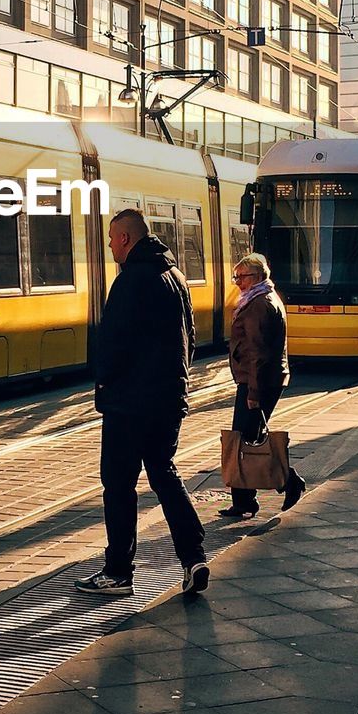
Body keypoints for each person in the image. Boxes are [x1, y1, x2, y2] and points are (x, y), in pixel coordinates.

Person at [77, 208, 208, 598]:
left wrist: (104, 380)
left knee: (118, 486)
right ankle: (194, 556)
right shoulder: (176, 277)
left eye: (113, 238)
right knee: (164, 474)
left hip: (129, 404)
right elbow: (192, 337)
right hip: (169, 399)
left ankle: (118, 571)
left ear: (127, 239)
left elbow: (113, 345)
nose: (110, 245)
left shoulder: (130, 280)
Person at [220, 253, 304, 519]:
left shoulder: (259, 305)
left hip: (257, 382)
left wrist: (253, 393)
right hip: (260, 379)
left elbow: (259, 352)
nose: (237, 283)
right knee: (249, 437)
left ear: (256, 277)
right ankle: (245, 499)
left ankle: (288, 482)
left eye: (241, 277)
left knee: (244, 438)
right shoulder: (263, 298)